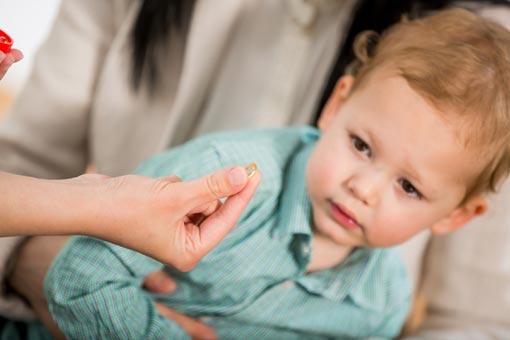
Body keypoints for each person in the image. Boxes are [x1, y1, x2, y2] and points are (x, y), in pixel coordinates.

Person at [42, 9, 510, 339]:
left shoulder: (379, 308)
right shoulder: (223, 178)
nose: (362, 188)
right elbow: (81, 276)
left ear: (457, 217)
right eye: (361, 146)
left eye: (408, 187)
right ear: (336, 105)